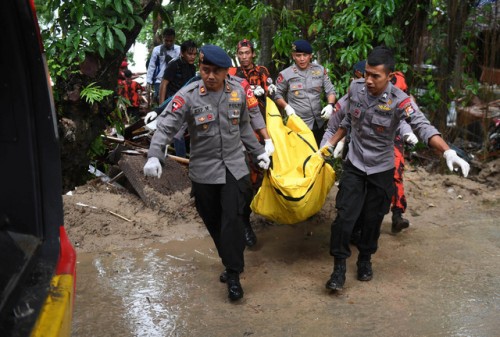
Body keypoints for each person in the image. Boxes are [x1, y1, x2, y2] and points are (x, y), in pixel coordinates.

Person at [321, 46, 470, 291]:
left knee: (373, 219)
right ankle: (338, 268)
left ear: (389, 77)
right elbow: (347, 119)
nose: (368, 80)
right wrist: (331, 143)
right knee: (344, 219)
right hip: (355, 165)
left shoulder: (400, 101)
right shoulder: (355, 89)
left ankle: (365, 260)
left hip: (381, 168)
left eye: (375, 76)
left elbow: (422, 126)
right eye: (366, 73)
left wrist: (447, 151)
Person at [143, 44, 271, 301]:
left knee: (232, 220)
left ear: (226, 72)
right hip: (204, 172)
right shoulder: (189, 94)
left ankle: (234, 274)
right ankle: (229, 260)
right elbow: (166, 126)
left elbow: (244, 127)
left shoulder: (237, 91)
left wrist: (258, 152)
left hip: (235, 167)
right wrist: (154, 155)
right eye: (205, 69)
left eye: (216, 71)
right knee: (214, 224)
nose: (210, 75)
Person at [322, 63, 417, 236]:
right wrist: (328, 147)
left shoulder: (393, 96)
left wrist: (408, 133)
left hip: (386, 148)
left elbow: (407, 115)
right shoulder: (349, 98)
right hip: (356, 151)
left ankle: (396, 214)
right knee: (353, 193)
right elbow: (335, 125)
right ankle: (352, 230)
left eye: (374, 77)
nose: (368, 82)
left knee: (392, 177)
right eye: (364, 77)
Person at [274, 39, 337, 147]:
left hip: (319, 122)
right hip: (298, 124)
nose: (302, 59)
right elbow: (277, 94)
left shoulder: (320, 70)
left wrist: (330, 105)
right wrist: (286, 107)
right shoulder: (285, 74)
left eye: (305, 55)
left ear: (310, 56)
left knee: (319, 153)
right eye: (298, 55)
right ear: (293, 56)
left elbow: (330, 90)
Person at [158, 40, 198, 158]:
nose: (192, 57)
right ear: (182, 53)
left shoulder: (192, 67)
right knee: (177, 134)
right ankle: (181, 160)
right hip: (173, 102)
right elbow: (163, 84)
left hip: (188, 103)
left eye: (195, 54)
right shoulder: (173, 64)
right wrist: (161, 107)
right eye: (190, 54)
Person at [229, 39, 277, 118]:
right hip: (239, 114)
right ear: (237, 55)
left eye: (247, 53)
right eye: (241, 53)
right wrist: (250, 91)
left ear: (253, 54)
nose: (244, 57)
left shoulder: (261, 71)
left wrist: (270, 90)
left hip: (260, 114)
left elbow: (269, 92)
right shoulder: (232, 72)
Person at [146, 28, 180, 106]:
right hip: (159, 80)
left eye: (171, 41)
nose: (168, 43)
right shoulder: (157, 50)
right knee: (160, 100)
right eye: (166, 40)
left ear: (174, 39)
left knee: (172, 102)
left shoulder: (179, 50)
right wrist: (149, 81)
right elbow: (152, 66)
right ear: (163, 38)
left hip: (173, 80)